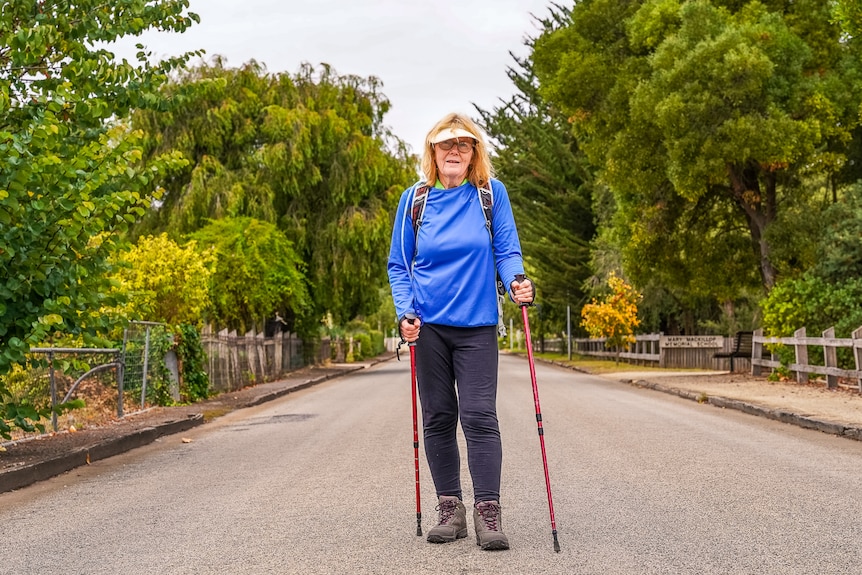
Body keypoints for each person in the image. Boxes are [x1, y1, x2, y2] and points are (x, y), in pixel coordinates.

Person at [387, 112, 534, 551]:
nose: (454, 151)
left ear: (474, 154)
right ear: (433, 151)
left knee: (478, 416)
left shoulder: (491, 195)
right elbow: (400, 264)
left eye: (464, 145)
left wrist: (516, 281)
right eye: (446, 144)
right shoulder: (415, 200)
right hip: (428, 328)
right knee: (437, 417)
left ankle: (488, 511)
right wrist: (405, 313)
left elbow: (506, 249)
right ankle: (449, 509)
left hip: (476, 325)